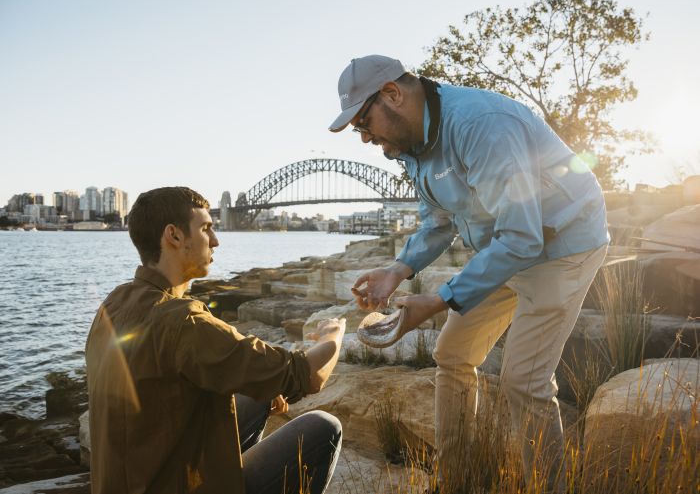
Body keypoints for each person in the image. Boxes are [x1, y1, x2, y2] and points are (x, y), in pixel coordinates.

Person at [329, 55, 609, 492]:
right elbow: (437, 222)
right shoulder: (412, 147)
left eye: (364, 122)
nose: (365, 139)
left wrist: (440, 299)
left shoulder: (482, 125)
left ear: (392, 94)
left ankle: (549, 486)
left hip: (563, 245)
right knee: (452, 355)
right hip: (506, 247)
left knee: (524, 381)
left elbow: (523, 237)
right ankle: (458, 480)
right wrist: (397, 270)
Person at [85, 187, 344, 494]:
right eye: (206, 228)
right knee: (324, 427)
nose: (216, 240)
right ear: (174, 236)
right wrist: (332, 336)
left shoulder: (113, 304)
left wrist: (263, 384)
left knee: (258, 393)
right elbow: (309, 376)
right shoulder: (183, 321)